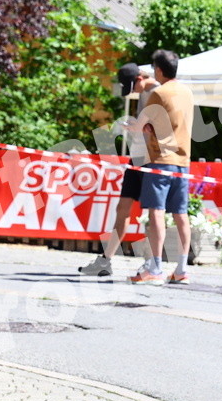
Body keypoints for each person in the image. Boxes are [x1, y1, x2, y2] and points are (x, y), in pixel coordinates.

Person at [80, 63, 157, 278]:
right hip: (138, 156)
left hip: (153, 159)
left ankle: (151, 263)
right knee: (122, 208)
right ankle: (106, 260)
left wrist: (141, 129)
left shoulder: (158, 91)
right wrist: (136, 129)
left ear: (140, 78)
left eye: (133, 87)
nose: (133, 92)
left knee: (152, 213)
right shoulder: (144, 93)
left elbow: (164, 126)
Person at [129, 50, 193, 286]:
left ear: (158, 70)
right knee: (181, 214)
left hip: (160, 160)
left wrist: (132, 126)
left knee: (156, 211)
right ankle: (182, 269)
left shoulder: (159, 93)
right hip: (183, 160)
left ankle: (156, 266)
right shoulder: (187, 92)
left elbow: (142, 125)